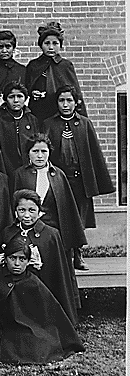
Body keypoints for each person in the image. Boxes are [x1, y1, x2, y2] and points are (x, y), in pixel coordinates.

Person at [43, 85, 114, 270]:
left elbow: (94, 153)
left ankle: (78, 254)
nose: (65, 104)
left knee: (78, 220)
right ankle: (63, 257)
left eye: (69, 101)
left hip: (79, 180)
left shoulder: (84, 123)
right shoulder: (49, 124)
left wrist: (96, 180)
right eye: (61, 100)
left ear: (76, 103)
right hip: (59, 179)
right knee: (60, 217)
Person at [0, 236, 85, 364]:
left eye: (22, 259)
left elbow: (51, 313)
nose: (17, 264)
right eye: (12, 258)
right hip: (4, 329)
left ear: (28, 261)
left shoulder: (33, 282)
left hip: (29, 327)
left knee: (38, 346)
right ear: (5, 259)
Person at [1, 189, 79, 325]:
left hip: (42, 289)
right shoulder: (9, 232)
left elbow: (59, 272)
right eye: (21, 210)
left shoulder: (51, 234)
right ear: (15, 211)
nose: (26, 215)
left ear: (39, 211)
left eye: (31, 210)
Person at [12, 133, 87, 255]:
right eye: (35, 151)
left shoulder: (58, 175)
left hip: (53, 230)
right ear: (28, 153)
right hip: (27, 228)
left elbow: (67, 209)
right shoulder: (20, 174)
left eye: (44, 151)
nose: (40, 156)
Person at [25, 21, 87, 123]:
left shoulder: (66, 66)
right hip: (39, 114)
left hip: (61, 116)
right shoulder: (33, 66)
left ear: (60, 45)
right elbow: (25, 90)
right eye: (47, 43)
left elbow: (76, 94)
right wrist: (33, 93)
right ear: (41, 45)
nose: (51, 47)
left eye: (55, 43)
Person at [0, 81, 42, 178]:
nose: (15, 100)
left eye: (20, 96)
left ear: (26, 99)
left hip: (28, 168)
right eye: (11, 97)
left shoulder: (32, 119)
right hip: (6, 168)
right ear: (5, 99)